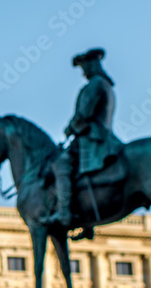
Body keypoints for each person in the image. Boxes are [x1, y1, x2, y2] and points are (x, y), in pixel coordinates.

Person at [44, 48, 122, 229]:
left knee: (61, 165)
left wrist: (70, 128)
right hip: (101, 136)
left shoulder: (95, 84)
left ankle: (64, 212)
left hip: (93, 139)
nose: (83, 72)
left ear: (92, 65)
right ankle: (86, 223)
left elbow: (84, 113)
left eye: (84, 67)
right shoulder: (106, 84)